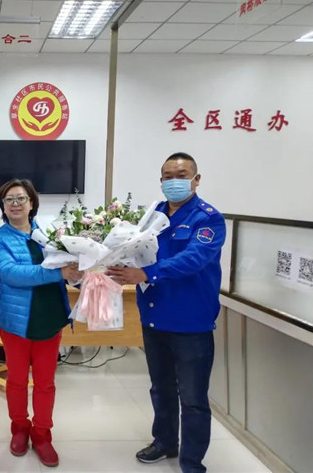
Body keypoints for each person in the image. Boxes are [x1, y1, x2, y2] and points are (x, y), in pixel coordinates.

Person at [107, 152, 225, 473]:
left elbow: (194, 259)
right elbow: (136, 249)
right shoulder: (153, 214)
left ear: (196, 180)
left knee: (193, 398)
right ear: (161, 181)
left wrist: (147, 273)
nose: (174, 182)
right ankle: (165, 442)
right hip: (154, 315)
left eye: (181, 175)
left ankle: (192, 462)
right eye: (168, 177)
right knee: (160, 387)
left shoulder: (207, 218)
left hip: (191, 321)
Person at [0, 179, 83, 468]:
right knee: (16, 381)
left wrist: (79, 272)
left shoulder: (52, 233)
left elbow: (70, 267)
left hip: (50, 317)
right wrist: (58, 273)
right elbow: (11, 273)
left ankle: (42, 434)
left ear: (32, 202)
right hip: (16, 322)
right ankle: (19, 428)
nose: (15, 204)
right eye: (9, 200)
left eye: (21, 198)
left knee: (45, 383)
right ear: (3, 206)